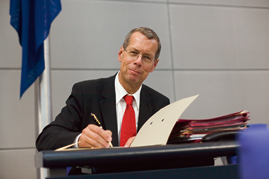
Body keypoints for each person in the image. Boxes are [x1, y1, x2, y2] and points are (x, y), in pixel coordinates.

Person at [36, 27, 170, 151]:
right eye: (133, 52)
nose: (138, 61)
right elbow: (46, 139)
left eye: (146, 57)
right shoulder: (86, 93)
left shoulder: (160, 104)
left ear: (154, 65)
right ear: (120, 54)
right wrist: (80, 140)